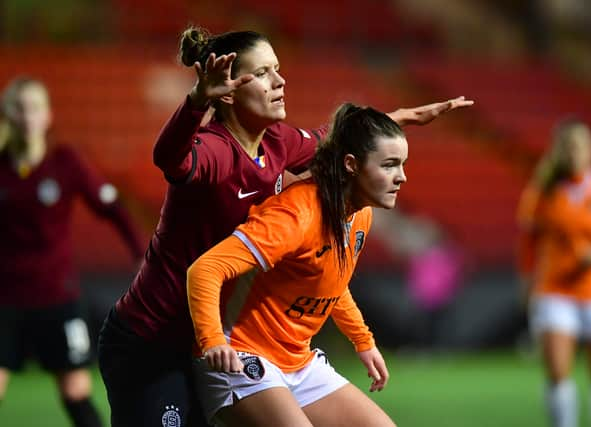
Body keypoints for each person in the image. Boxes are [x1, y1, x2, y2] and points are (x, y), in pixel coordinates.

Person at [97, 26, 473, 427]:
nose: (279, 81)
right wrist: (194, 103)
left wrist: (397, 120)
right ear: (226, 92)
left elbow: (338, 145)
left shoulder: (279, 141)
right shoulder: (215, 150)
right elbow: (169, 158)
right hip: (154, 336)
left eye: (277, 69)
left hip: (213, 338)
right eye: (261, 73)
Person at [187, 102, 405, 426]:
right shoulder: (295, 216)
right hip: (241, 356)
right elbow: (204, 270)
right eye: (389, 165)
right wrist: (213, 341)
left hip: (297, 361)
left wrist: (363, 341)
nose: (401, 177)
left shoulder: (360, 214)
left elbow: (330, 282)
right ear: (351, 165)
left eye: (401, 165)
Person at [0, 77, 145, 427]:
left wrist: (142, 252)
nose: (27, 116)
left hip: (57, 297)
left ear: (48, 115)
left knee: (76, 393)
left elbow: (112, 207)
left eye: (35, 107)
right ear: (7, 114)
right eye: (19, 108)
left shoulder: (66, 163)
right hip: (5, 300)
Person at [516, 118, 591, 427]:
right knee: (557, 373)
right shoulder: (543, 192)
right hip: (555, 290)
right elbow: (529, 243)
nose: (573, 153)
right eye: (567, 147)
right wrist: (527, 282)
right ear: (556, 151)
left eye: (579, 146)